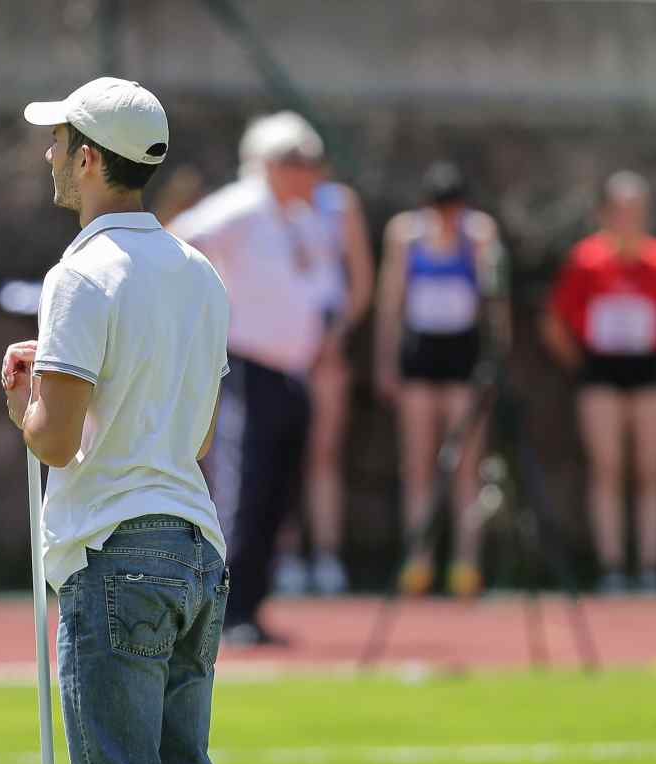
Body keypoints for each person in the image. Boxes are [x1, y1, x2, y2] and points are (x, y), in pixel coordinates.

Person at [0, 77, 236, 764]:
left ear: (90, 158)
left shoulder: (80, 274)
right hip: (194, 544)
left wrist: (21, 400)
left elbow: (55, 441)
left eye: (60, 142)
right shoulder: (199, 271)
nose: (49, 156)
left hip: (114, 551)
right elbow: (194, 430)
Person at [169, 111, 337, 645]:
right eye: (298, 160)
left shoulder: (303, 218)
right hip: (248, 367)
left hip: (293, 371)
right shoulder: (240, 207)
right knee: (245, 487)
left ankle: (252, 606)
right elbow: (178, 242)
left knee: (276, 493)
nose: (310, 171)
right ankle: (226, 608)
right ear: (269, 164)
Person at [543, 171, 656, 595]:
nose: (629, 220)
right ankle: (612, 566)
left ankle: (650, 567)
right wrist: (580, 363)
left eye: (637, 212)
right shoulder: (585, 261)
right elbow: (555, 322)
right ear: (604, 214)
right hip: (600, 372)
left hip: (649, 372)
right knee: (607, 469)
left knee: (652, 471)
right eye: (620, 211)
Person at [374, 161, 510, 598]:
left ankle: (467, 562)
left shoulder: (479, 233)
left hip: (462, 356)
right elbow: (390, 302)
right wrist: (385, 362)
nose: (446, 216)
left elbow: (496, 300)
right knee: (418, 464)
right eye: (439, 207)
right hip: (420, 355)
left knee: (466, 464)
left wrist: (498, 358)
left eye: (453, 207)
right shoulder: (405, 234)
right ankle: (419, 559)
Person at [272, 170, 375, 597]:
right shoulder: (265, 204)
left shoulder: (339, 203)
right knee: (279, 453)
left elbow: (361, 283)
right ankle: (285, 555)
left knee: (323, 454)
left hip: (328, 348)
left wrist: (336, 335)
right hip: (279, 348)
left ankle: (327, 556)